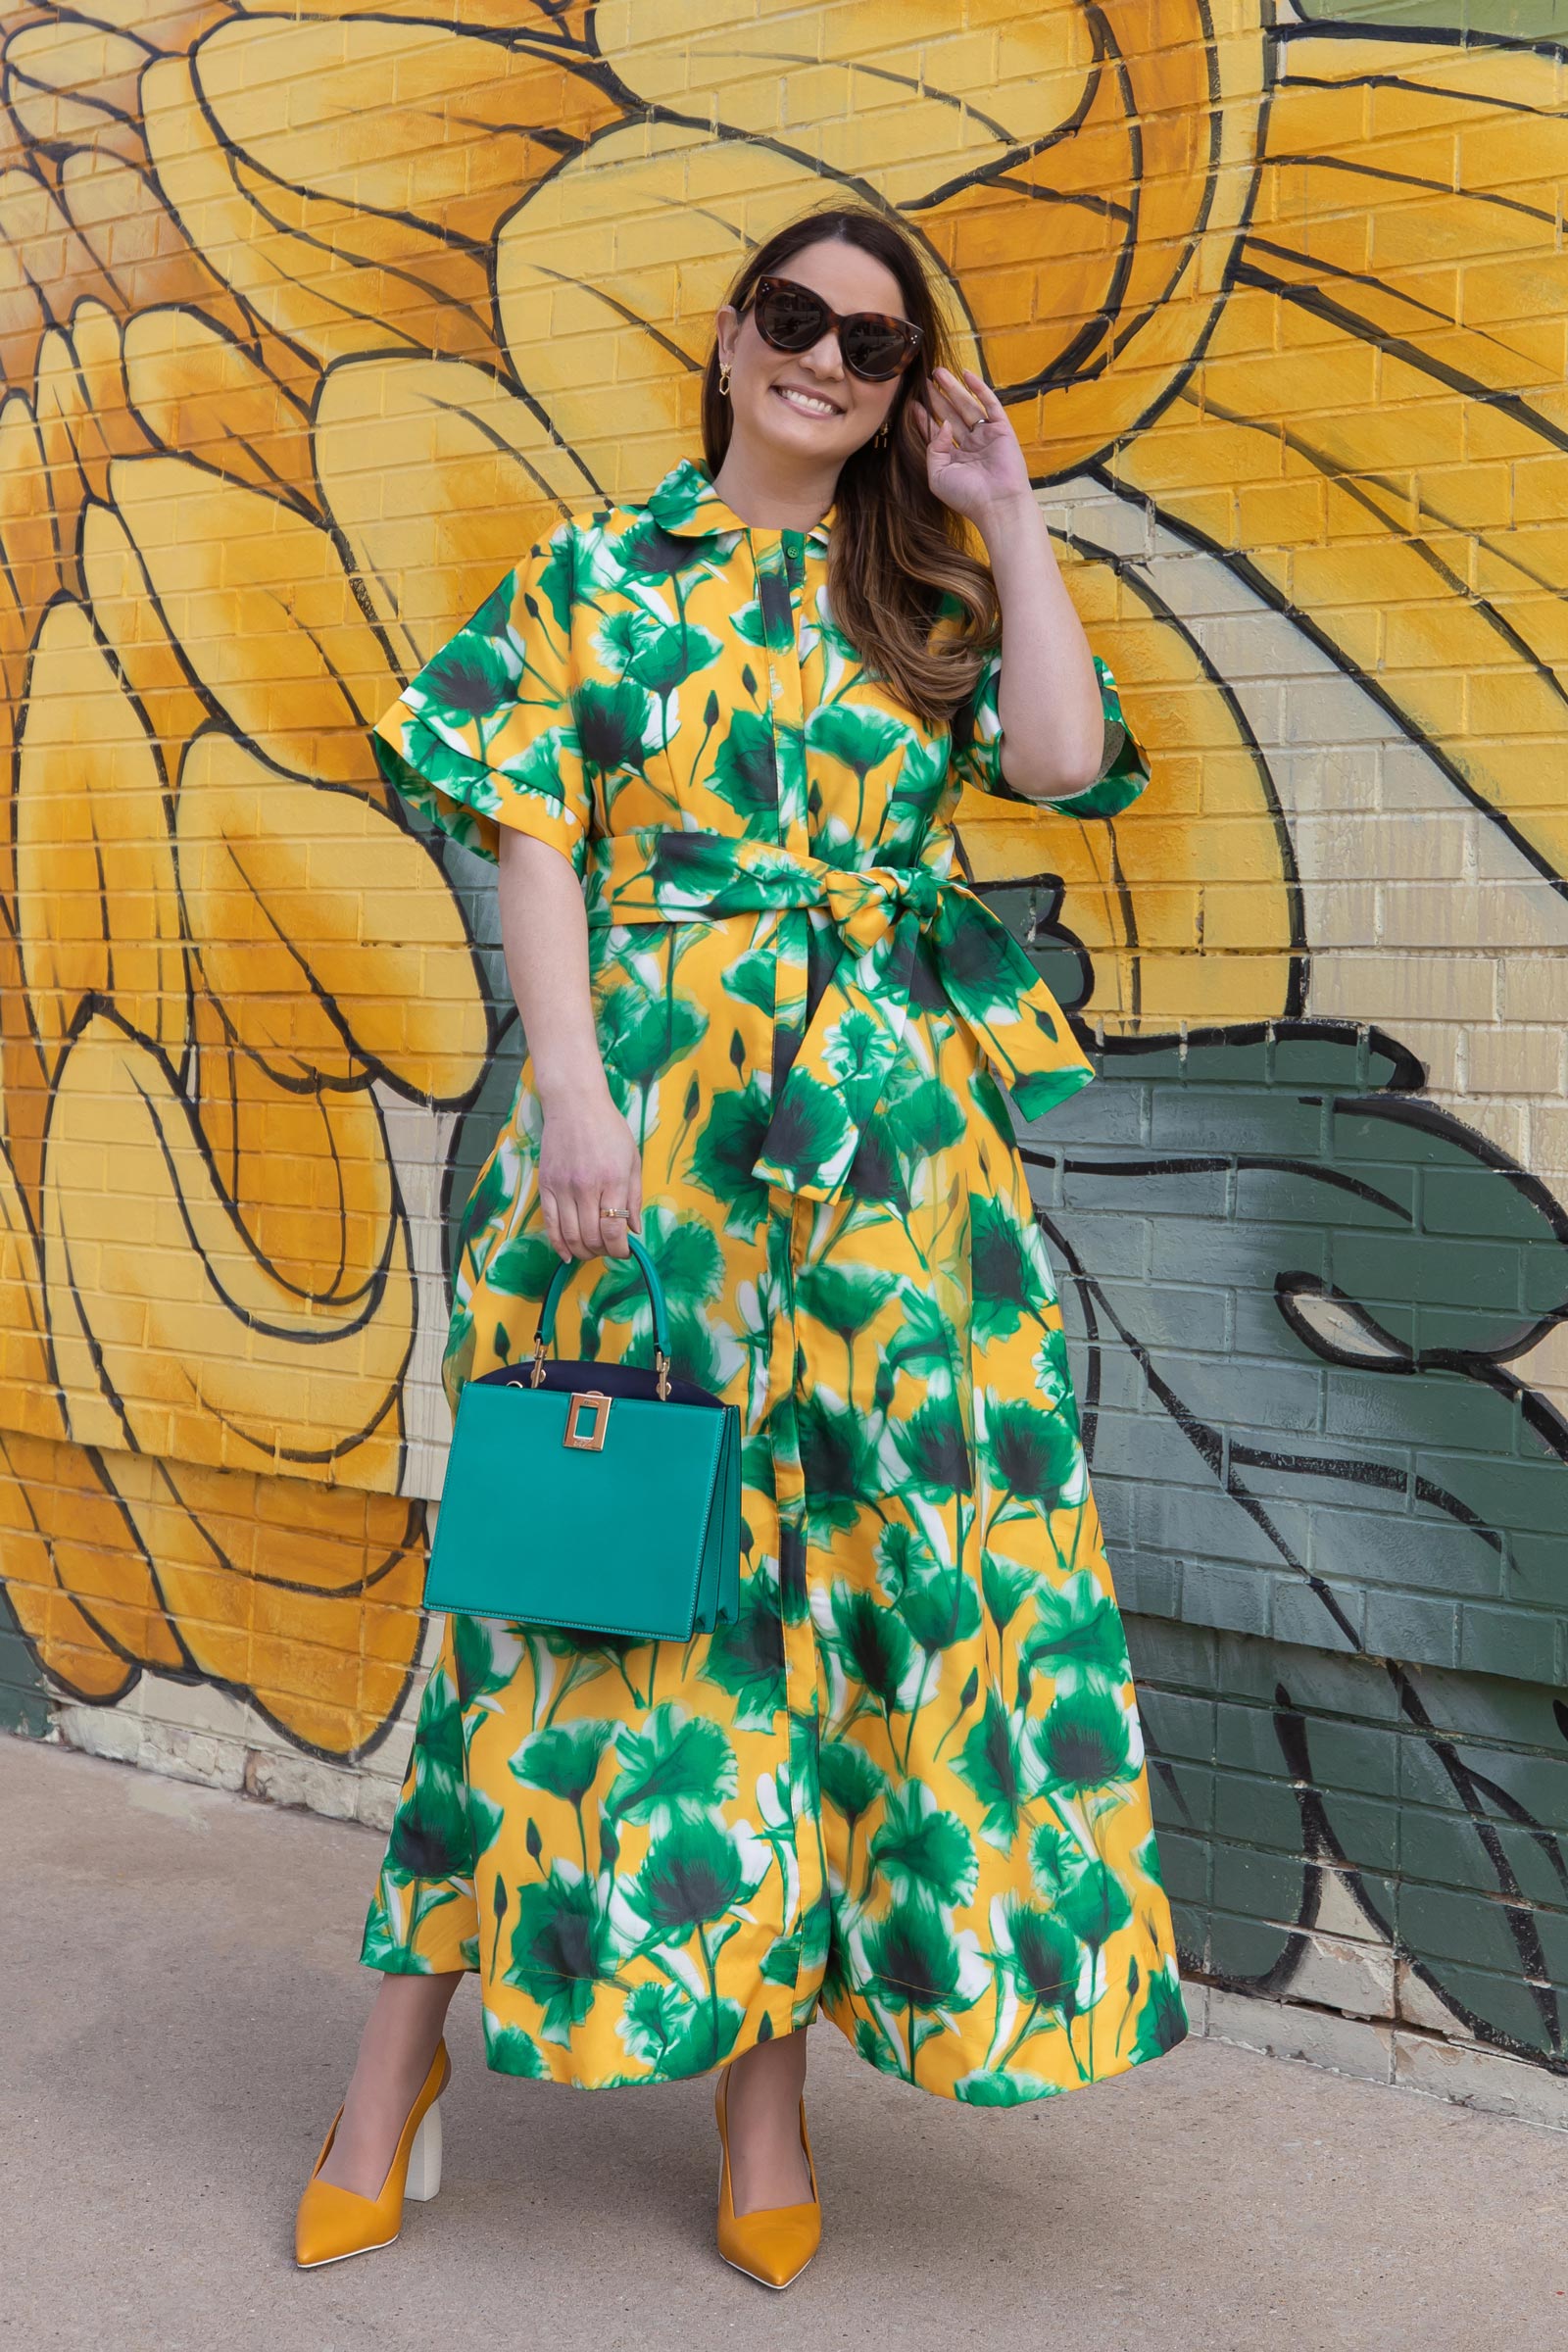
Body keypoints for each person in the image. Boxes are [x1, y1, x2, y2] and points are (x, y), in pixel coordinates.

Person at [294, 204, 1190, 2287]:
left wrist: (1010, 516)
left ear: (902, 390)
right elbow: (533, 831)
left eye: (871, 346)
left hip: (892, 1173)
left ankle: (764, 2107)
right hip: (652, 1139)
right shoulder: (594, 574)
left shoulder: (921, 600)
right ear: (725, 336)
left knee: (830, 1611)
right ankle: (386, 2071)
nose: (823, 360)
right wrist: (575, 1092)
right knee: (569, 1589)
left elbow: (1059, 765)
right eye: (791, 319)